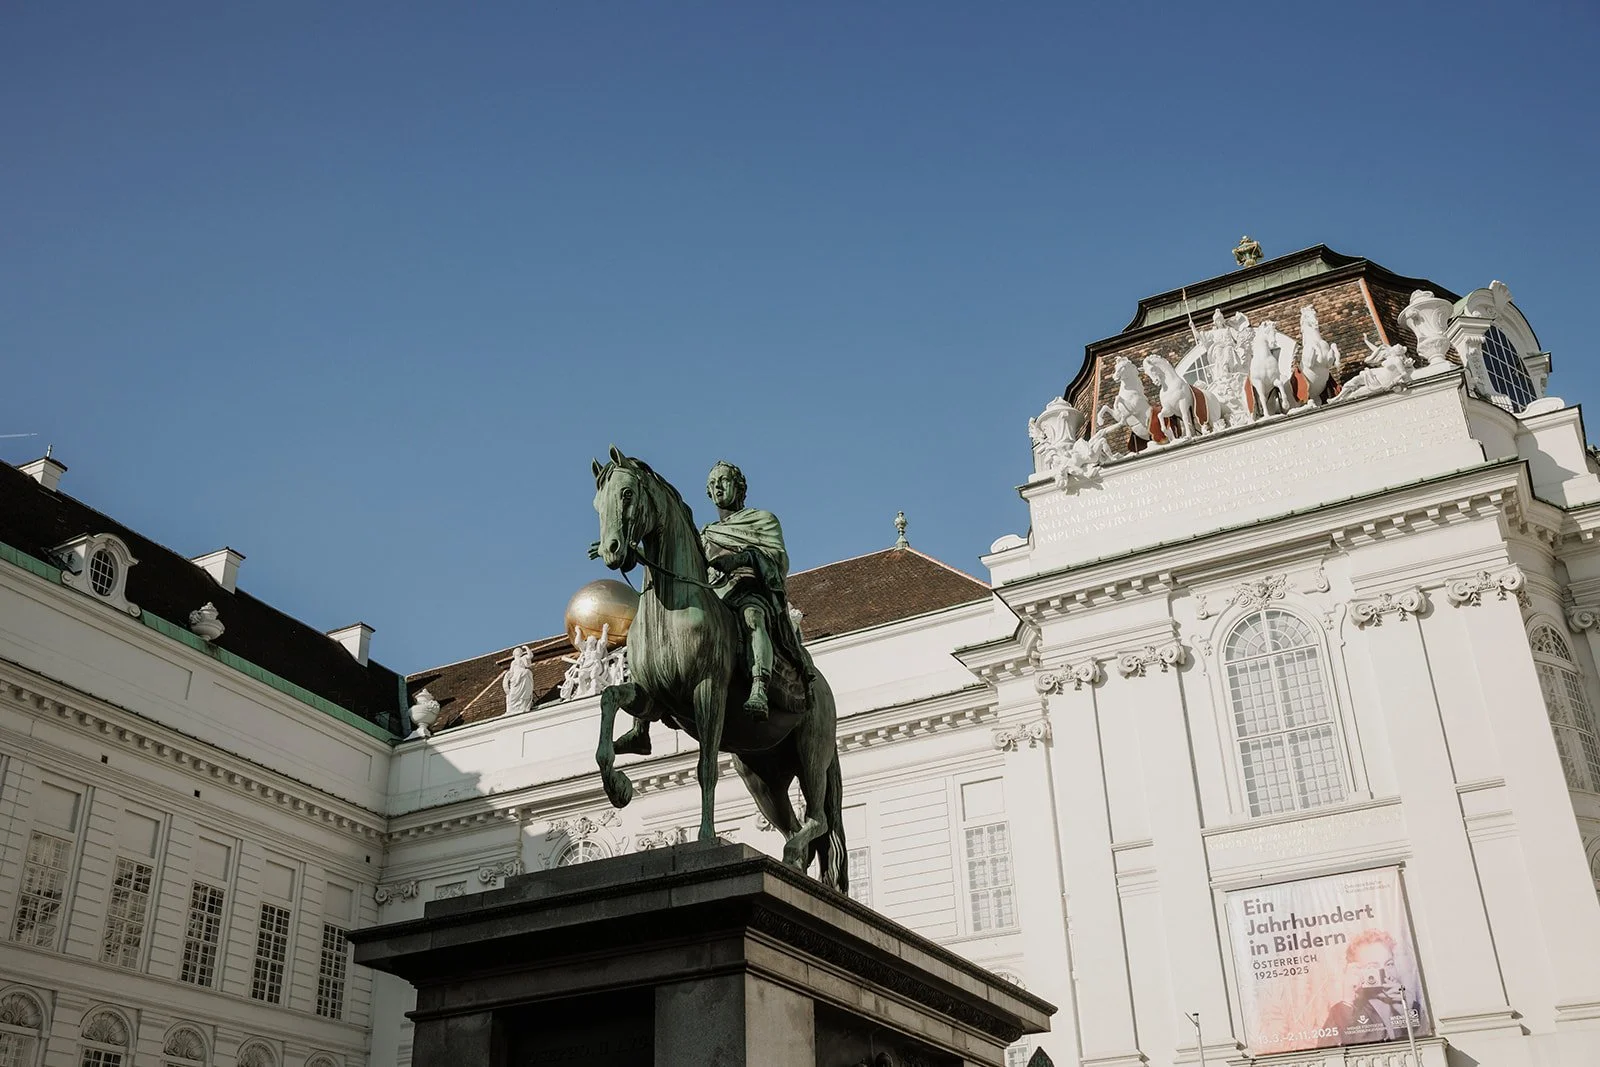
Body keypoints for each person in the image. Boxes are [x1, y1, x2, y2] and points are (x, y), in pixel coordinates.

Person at [701, 460, 814, 721]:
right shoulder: (706, 534)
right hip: (715, 595)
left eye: (724, 481)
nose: (718, 487)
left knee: (753, 616)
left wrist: (742, 559)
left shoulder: (763, 520)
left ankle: (759, 686)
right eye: (712, 484)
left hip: (749, 589)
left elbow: (777, 557)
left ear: (739, 488)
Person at [1317, 929, 1422, 1047]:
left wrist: (1410, 1009)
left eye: (1389, 964)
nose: (1385, 974)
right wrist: (1347, 1000)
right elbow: (1328, 1051)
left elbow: (1426, 1044)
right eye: (1372, 967)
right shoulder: (1344, 1012)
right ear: (1357, 971)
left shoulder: (1406, 1003)